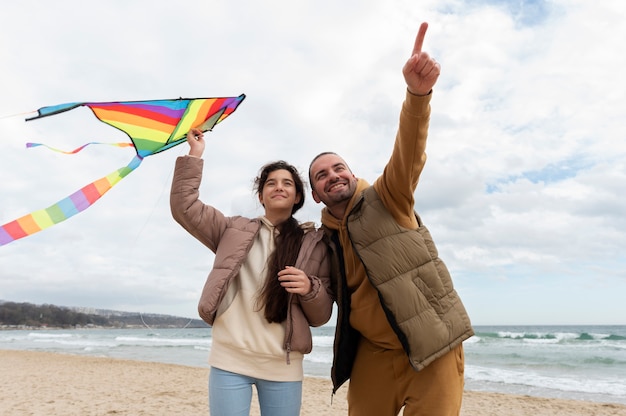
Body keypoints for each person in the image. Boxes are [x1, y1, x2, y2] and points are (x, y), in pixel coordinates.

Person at [308, 22, 474, 416]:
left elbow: (409, 150)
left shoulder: (389, 197)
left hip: (432, 347)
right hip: (373, 355)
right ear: (315, 194)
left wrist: (418, 96)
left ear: (351, 173)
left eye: (339, 168)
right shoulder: (323, 238)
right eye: (322, 175)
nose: (333, 175)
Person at [171, 128, 334, 416]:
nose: (279, 187)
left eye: (287, 183)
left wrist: (310, 289)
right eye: (271, 183)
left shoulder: (314, 244)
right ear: (261, 195)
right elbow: (185, 207)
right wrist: (194, 155)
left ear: (298, 196)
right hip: (229, 361)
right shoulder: (231, 229)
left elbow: (321, 317)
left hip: (283, 367)